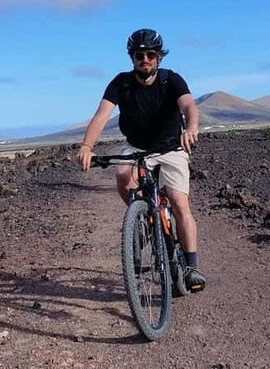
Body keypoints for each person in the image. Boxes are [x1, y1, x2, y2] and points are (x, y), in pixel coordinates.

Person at [76, 28, 207, 293]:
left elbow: (189, 107)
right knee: (123, 178)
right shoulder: (121, 82)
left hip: (172, 147)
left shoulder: (171, 81)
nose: (144, 59)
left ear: (159, 57)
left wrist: (191, 128)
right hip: (138, 147)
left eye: (150, 54)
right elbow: (101, 115)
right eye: (139, 55)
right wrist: (87, 146)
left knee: (180, 202)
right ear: (132, 58)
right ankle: (146, 218)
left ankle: (192, 267)